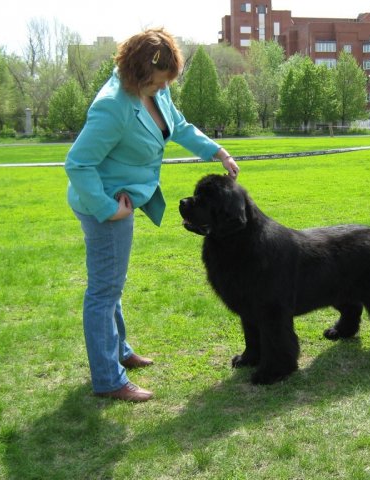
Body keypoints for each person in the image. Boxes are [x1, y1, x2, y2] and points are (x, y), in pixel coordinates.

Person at [64, 28, 239, 402]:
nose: (164, 88)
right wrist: (107, 209)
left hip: (122, 200)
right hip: (105, 204)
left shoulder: (157, 91)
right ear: (140, 72)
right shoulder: (112, 105)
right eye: (159, 82)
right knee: (103, 291)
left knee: (113, 283)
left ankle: (120, 351)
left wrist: (217, 151)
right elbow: (78, 164)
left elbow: (179, 126)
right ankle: (109, 379)